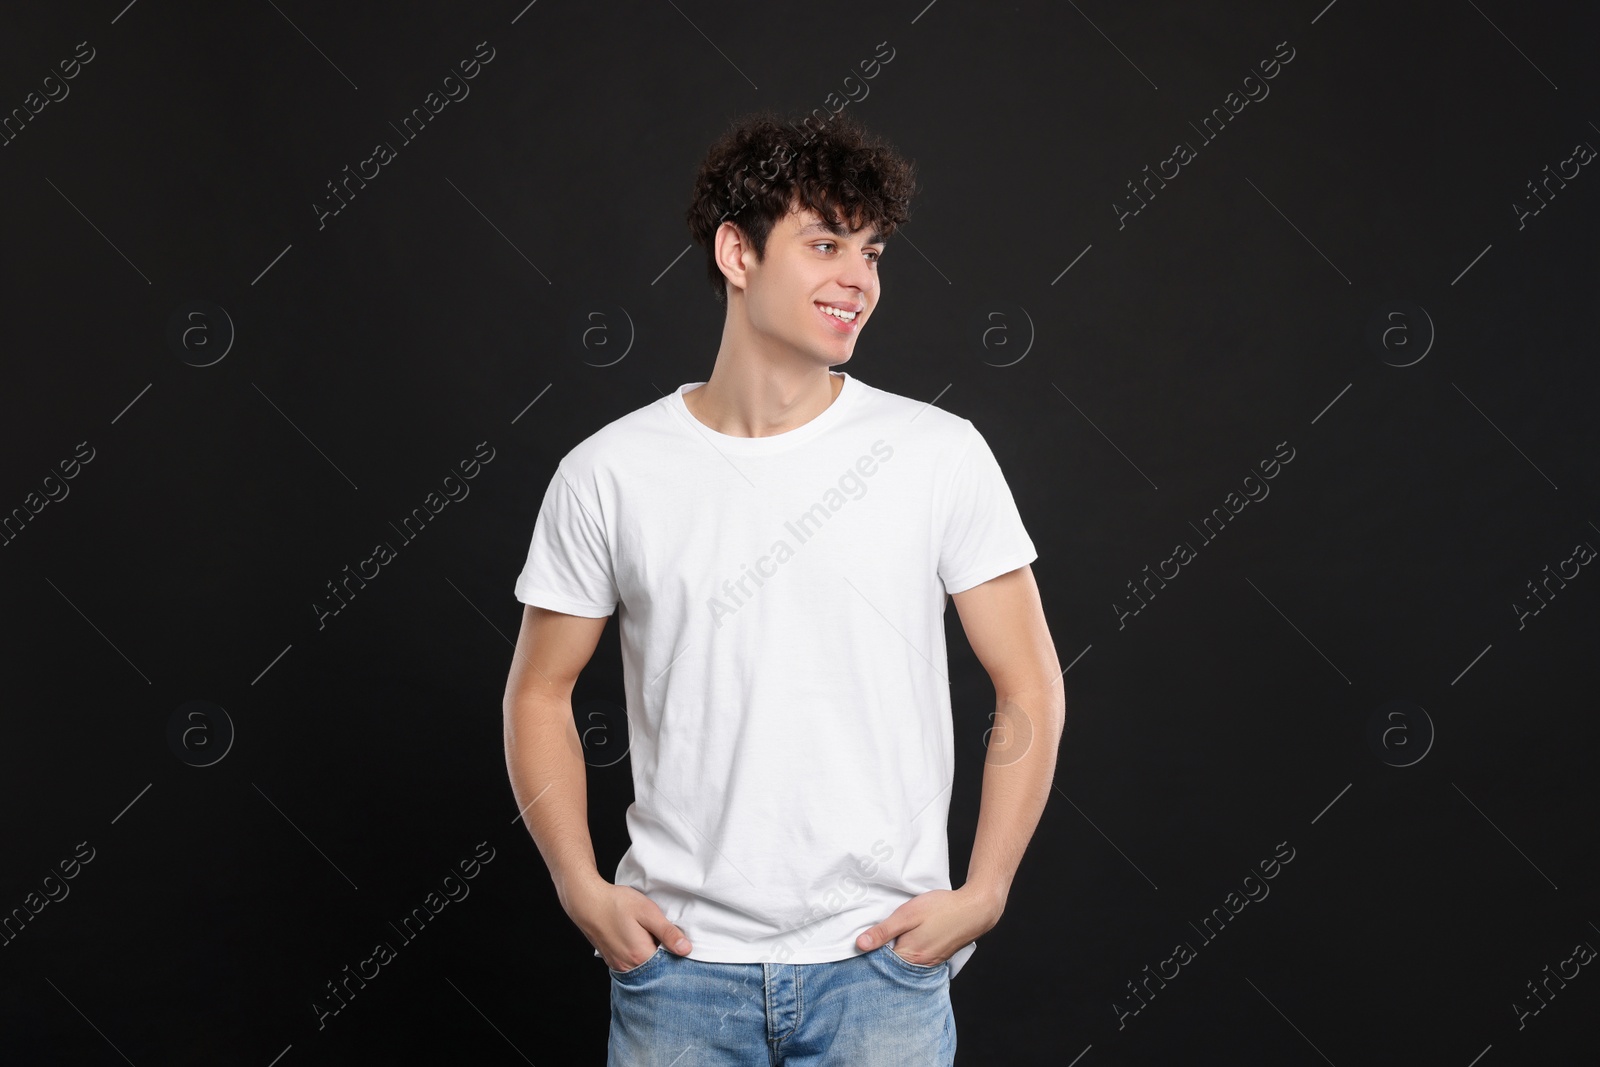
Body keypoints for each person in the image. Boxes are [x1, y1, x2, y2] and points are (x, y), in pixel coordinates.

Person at [504, 108, 1064, 1066]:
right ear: (737, 251)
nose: (859, 278)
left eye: (873, 250)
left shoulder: (937, 454)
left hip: (882, 971)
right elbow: (537, 690)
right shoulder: (610, 472)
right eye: (824, 242)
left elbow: (1030, 684)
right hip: (678, 977)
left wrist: (987, 889)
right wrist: (577, 884)